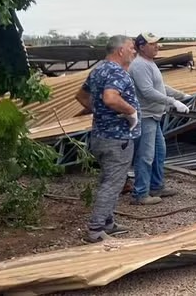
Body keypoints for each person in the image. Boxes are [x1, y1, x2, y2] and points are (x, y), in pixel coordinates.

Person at [74, 35, 140, 243]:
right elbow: (111, 98)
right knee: (113, 183)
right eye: (131, 48)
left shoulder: (99, 69)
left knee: (108, 179)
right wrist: (131, 113)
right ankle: (95, 231)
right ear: (120, 50)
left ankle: (108, 224)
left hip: (101, 135)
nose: (134, 51)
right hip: (117, 138)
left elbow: (81, 96)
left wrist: (101, 113)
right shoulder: (116, 72)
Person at [128, 33, 191, 205]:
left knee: (159, 153)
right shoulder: (140, 65)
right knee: (146, 156)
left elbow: (161, 87)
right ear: (141, 47)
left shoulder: (150, 63)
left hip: (154, 116)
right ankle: (140, 194)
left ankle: (156, 186)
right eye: (152, 43)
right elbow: (147, 91)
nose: (157, 46)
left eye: (157, 43)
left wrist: (181, 95)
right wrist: (172, 102)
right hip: (145, 116)